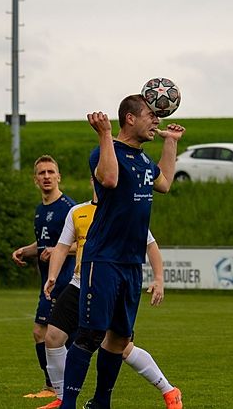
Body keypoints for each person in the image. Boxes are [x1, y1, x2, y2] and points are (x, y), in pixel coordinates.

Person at [59, 94, 184, 409]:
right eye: (150, 115)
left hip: (130, 263)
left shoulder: (143, 160)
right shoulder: (103, 152)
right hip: (103, 260)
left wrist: (170, 143)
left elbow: (165, 183)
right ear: (130, 118)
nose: (156, 120)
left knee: (118, 339)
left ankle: (101, 402)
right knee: (90, 335)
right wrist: (104, 134)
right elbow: (110, 179)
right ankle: (67, 404)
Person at [39, 180, 182, 409]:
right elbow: (62, 247)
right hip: (79, 283)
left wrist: (159, 279)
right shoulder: (77, 212)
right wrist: (53, 276)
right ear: (93, 180)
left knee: (119, 346)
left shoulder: (124, 210)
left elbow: (150, 245)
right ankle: (62, 397)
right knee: (53, 336)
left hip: (107, 285)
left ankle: (169, 390)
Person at [11, 155, 77, 399]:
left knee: (47, 333)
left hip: (65, 281)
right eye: (42, 173)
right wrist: (25, 251)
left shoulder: (69, 208)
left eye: (51, 172)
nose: (47, 176)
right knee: (48, 334)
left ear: (59, 177)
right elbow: (44, 243)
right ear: (35, 180)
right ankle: (58, 387)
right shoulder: (41, 210)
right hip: (47, 284)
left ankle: (55, 387)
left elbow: (83, 243)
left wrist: (59, 250)